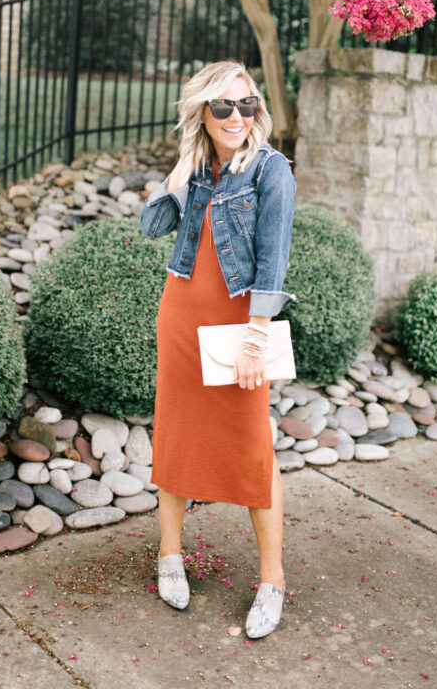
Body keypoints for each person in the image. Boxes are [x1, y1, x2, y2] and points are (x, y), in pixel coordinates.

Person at [139, 59, 296, 639]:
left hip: (238, 323)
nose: (236, 116)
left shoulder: (270, 170)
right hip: (181, 314)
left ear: (257, 110)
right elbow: (152, 225)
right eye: (222, 106)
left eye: (245, 104)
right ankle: (170, 556)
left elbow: (273, 259)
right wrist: (180, 171)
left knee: (254, 448)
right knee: (177, 435)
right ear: (202, 112)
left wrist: (256, 337)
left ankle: (272, 579)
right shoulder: (199, 167)